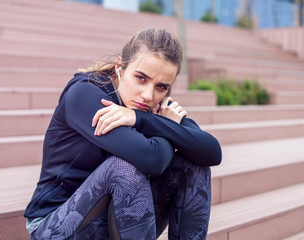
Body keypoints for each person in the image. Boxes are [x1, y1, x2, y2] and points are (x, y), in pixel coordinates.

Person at [24, 28, 222, 240]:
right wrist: (164, 124)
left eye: (161, 87)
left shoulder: (157, 106)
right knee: (124, 168)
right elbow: (152, 159)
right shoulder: (85, 94)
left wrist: (140, 118)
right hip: (56, 226)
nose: (147, 95)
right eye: (141, 78)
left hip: (120, 221)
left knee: (192, 163)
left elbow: (212, 152)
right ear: (120, 67)